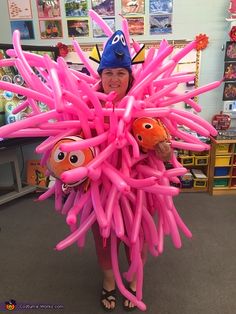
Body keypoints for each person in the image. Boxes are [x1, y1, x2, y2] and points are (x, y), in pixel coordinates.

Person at [91, 30, 172, 311]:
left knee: (135, 238)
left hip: (136, 191)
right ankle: (109, 283)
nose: (114, 79)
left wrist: (164, 151)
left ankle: (135, 282)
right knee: (103, 239)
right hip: (99, 191)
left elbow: (165, 146)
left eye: (120, 73)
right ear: (100, 77)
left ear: (130, 77)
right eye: (108, 73)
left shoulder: (146, 109)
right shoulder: (87, 109)